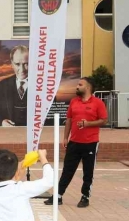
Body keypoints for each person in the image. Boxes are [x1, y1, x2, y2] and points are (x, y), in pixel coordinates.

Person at [45, 77, 108, 208]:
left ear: (88, 88)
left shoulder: (98, 103)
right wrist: (65, 137)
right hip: (74, 142)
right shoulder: (74, 102)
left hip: (90, 143)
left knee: (88, 171)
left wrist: (88, 124)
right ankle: (58, 196)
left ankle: (85, 197)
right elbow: (69, 120)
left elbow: (104, 120)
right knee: (67, 170)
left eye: (80, 84)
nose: (77, 86)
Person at [0, 45, 29, 127]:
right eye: (17, 64)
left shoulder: (43, 87)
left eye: (26, 64)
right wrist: (1, 122)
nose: (22, 69)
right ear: (12, 64)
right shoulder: (2, 86)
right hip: (8, 135)